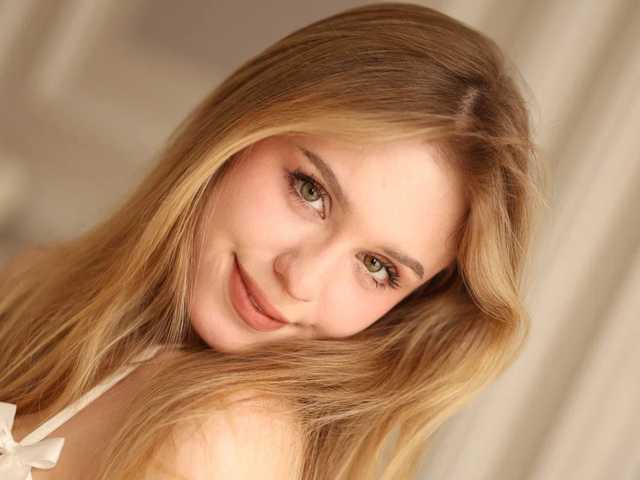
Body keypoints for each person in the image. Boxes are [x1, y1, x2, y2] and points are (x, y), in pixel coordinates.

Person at [0, 2, 547, 479]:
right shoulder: (33, 287)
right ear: (242, 131)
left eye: (377, 267)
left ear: (415, 302)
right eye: (310, 191)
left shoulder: (228, 432)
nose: (300, 278)